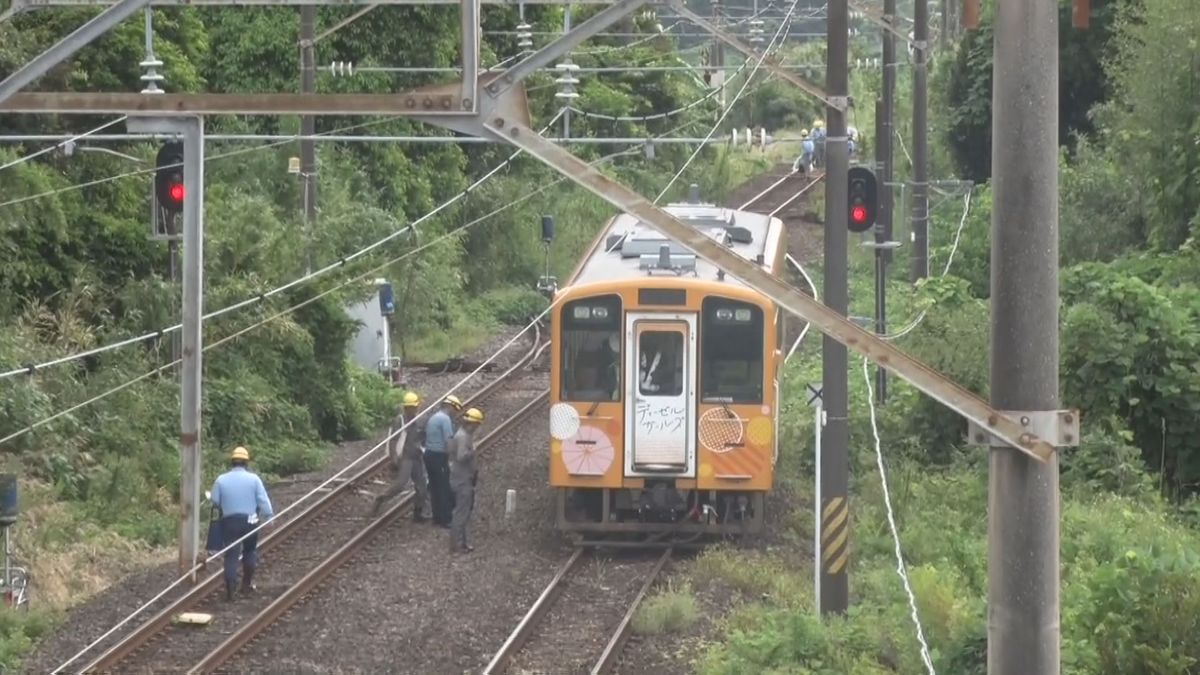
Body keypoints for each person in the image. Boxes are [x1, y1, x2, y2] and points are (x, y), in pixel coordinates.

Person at [210, 446, 273, 601]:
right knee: (250, 551)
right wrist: (269, 516)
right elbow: (262, 500)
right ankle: (246, 584)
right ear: (246, 463)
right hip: (250, 521)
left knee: (231, 555)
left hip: (230, 522)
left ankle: (231, 589)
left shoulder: (221, 480)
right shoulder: (254, 479)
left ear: (232, 462)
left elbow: (215, 501)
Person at [371, 391, 429, 521]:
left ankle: (418, 513)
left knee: (422, 486)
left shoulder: (419, 420)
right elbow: (393, 440)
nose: (413, 410)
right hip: (405, 458)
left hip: (416, 458)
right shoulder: (400, 420)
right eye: (410, 407)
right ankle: (381, 498)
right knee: (400, 485)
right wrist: (394, 458)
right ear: (406, 408)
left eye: (414, 407)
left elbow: (423, 437)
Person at [449, 407, 484, 554]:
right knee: (461, 513)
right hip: (462, 480)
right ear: (472, 423)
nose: (477, 428)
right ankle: (457, 545)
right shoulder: (463, 437)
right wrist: (472, 451)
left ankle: (462, 543)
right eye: (477, 425)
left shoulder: (463, 434)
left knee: (463, 512)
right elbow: (461, 456)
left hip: (462, 478)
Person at [423, 394, 462, 528]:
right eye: (455, 409)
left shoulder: (434, 417)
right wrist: (453, 458)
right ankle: (445, 519)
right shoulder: (445, 420)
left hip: (429, 454)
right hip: (439, 456)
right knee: (443, 487)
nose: (455, 413)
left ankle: (437, 517)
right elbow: (449, 441)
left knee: (434, 487)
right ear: (450, 406)